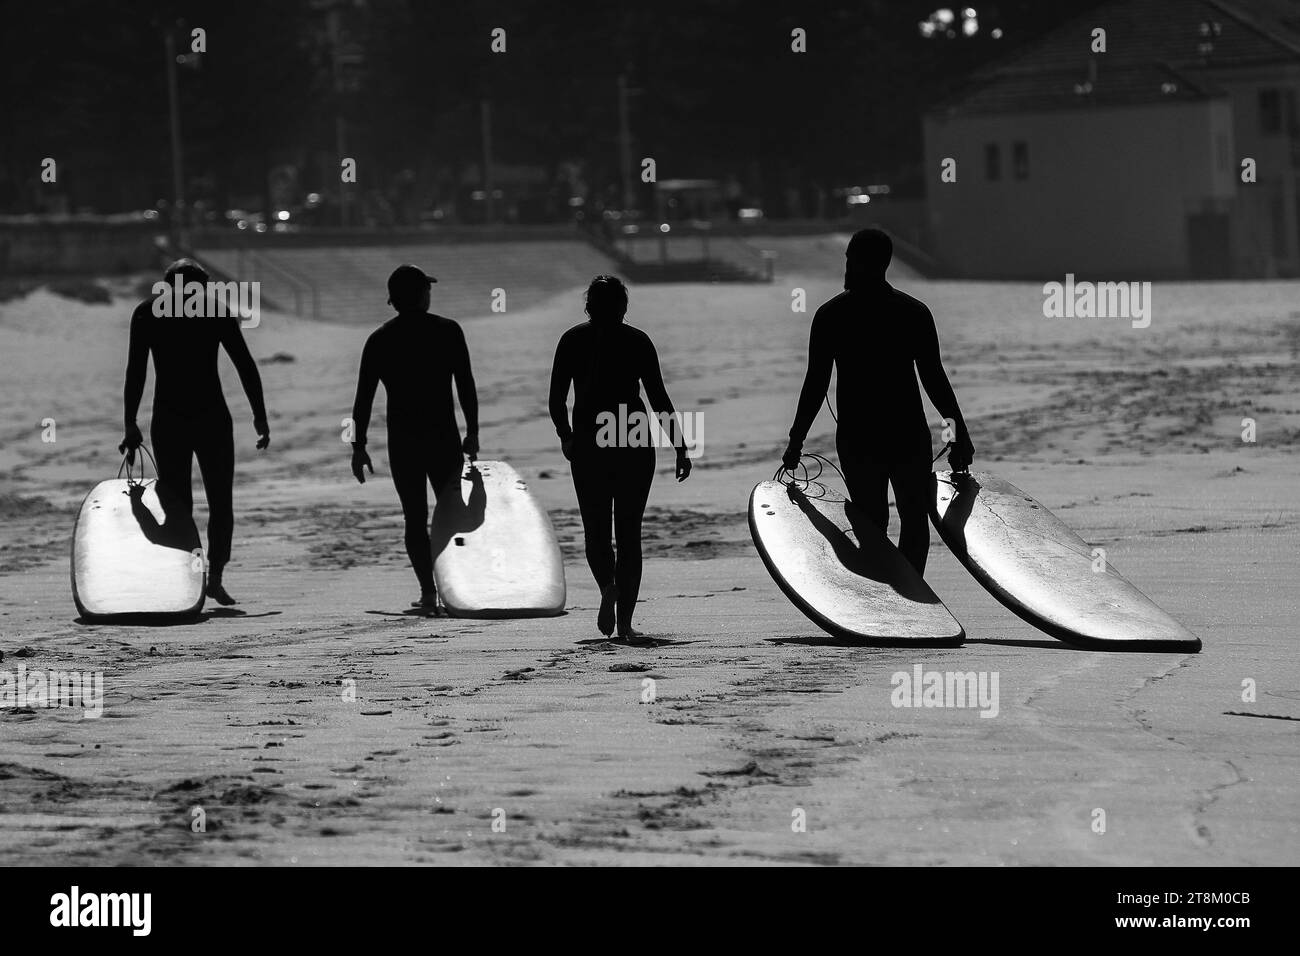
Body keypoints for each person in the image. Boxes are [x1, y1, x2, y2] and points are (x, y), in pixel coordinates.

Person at [782, 228, 974, 575]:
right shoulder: (912, 312)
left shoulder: (832, 315)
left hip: (860, 436)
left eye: (849, 259)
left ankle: (887, 599)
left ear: (855, 261)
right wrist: (958, 432)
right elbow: (934, 379)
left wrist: (797, 440)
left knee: (871, 521)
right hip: (906, 432)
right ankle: (910, 592)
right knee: (914, 519)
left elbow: (816, 384)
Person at [549, 275, 691, 644]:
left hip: (590, 437)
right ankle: (625, 625)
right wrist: (680, 445)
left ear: (588, 306)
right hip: (630, 432)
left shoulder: (572, 339)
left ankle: (607, 585)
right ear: (623, 307)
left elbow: (555, 399)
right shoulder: (637, 340)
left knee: (595, 529)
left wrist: (566, 436)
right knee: (629, 533)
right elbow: (658, 396)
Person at [121, 258, 270, 606]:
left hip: (170, 419)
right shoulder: (215, 313)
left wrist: (130, 422)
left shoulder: (147, 313)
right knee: (220, 501)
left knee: (179, 503)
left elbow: (136, 373)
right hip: (211, 418)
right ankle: (212, 576)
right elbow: (245, 366)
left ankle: (196, 576)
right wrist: (259, 416)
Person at [350, 264, 479, 610]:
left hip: (404, 441)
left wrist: (358, 447)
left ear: (393, 299)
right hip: (443, 437)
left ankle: (428, 591)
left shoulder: (380, 339)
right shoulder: (448, 331)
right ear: (423, 294)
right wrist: (473, 432)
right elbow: (465, 385)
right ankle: (456, 588)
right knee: (451, 515)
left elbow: (363, 399)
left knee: (414, 517)